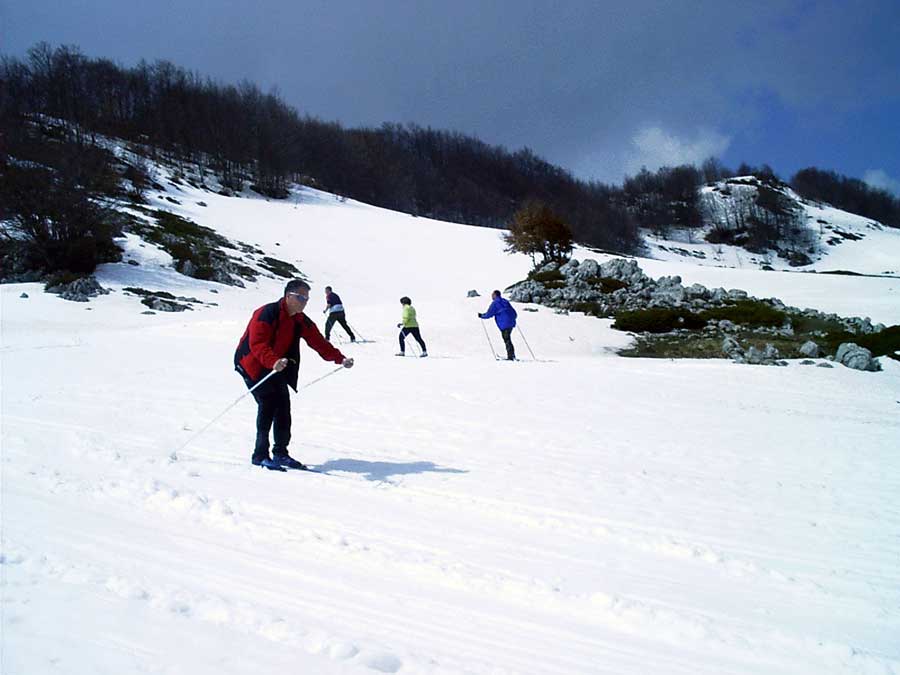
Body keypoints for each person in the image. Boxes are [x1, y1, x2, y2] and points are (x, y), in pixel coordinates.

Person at [234, 280, 354, 470]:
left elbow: (319, 342)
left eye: (306, 298)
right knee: (268, 403)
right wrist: (272, 360)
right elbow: (257, 344)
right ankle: (260, 455)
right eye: (300, 297)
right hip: (252, 364)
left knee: (283, 406)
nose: (304, 301)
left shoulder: (300, 319)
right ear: (288, 296)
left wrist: (340, 358)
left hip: (276, 365)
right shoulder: (266, 313)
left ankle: (281, 453)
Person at [478, 290, 518, 360]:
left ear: (495, 295)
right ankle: (512, 355)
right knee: (508, 339)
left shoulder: (495, 303)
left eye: (492, 295)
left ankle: (511, 356)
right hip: (511, 322)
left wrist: (481, 316)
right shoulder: (505, 301)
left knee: (507, 339)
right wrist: (513, 318)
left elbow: (489, 314)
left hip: (504, 324)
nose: (492, 296)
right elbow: (513, 311)